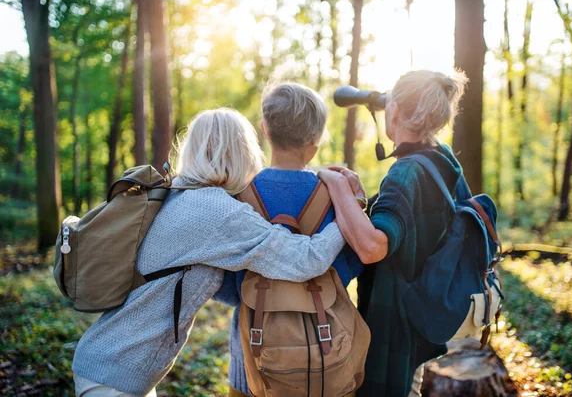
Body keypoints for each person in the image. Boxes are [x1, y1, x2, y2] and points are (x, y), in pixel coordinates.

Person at [71, 108, 356, 397]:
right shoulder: (215, 211)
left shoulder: (176, 193)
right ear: (241, 151)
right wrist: (349, 211)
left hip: (111, 366)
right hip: (116, 377)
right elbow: (305, 260)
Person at [319, 69, 468, 397]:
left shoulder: (406, 171)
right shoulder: (441, 160)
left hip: (394, 328)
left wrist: (336, 185)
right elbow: (409, 223)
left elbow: (374, 247)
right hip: (420, 318)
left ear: (396, 111)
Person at [213, 82, 367, 397]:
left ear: (264, 130)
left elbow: (226, 283)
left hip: (254, 359)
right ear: (318, 136)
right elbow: (351, 264)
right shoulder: (335, 194)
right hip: (327, 358)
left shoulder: (237, 194)